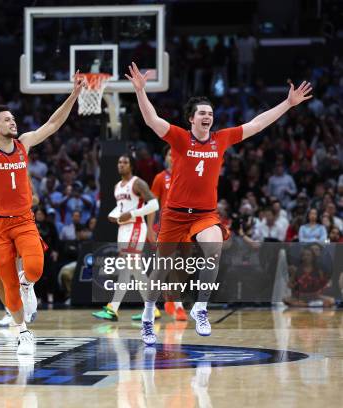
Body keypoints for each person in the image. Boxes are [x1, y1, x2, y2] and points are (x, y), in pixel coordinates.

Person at [126, 61, 312, 344]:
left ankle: (200, 307)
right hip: (175, 215)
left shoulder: (221, 139)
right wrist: (141, 91)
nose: (207, 117)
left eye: (210, 113)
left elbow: (257, 123)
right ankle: (148, 315)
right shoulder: (178, 137)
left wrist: (287, 103)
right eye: (202, 113)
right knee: (160, 270)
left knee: (213, 247)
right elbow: (152, 120)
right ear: (191, 118)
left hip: (204, 214)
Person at [0, 65, 84, 354]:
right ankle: (22, 331)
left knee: (35, 268)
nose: (13, 122)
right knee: (7, 282)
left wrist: (74, 94)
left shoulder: (24, 143)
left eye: (13, 118)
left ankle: (29, 286)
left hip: (24, 220)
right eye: (7, 120)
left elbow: (52, 124)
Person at [92, 154, 159, 322]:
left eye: (125, 162)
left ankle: (113, 308)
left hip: (136, 226)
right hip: (123, 229)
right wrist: (113, 215)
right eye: (119, 162)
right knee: (134, 270)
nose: (121, 165)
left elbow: (154, 204)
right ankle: (152, 309)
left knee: (127, 267)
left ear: (132, 165)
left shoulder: (138, 183)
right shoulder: (117, 186)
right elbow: (121, 207)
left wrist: (133, 213)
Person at [150, 146, 187, 321]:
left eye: (175, 154)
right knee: (166, 265)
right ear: (165, 157)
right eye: (170, 154)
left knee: (181, 266)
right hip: (167, 226)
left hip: (185, 226)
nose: (173, 157)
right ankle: (175, 304)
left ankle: (171, 298)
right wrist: (151, 227)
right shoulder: (159, 178)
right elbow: (152, 205)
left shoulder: (187, 176)